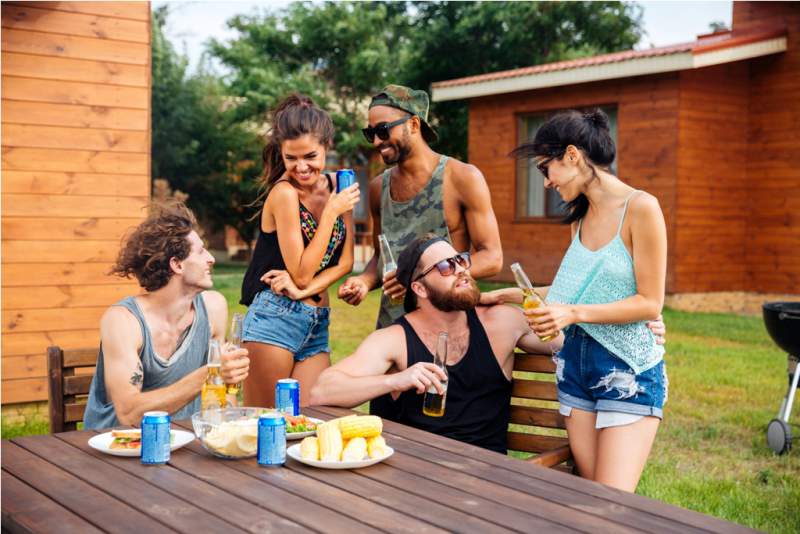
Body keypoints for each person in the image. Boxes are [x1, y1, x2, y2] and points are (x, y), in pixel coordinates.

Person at [498, 109, 668, 492]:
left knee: (610, 504)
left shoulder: (641, 208)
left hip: (627, 371)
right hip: (574, 368)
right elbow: (568, 294)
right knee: (589, 496)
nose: (546, 183)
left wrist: (572, 313)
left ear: (572, 155)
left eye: (547, 169)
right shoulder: (579, 218)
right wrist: (502, 295)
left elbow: (650, 302)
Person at [337, 85, 503, 328]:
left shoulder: (462, 177)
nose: (375, 141)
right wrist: (363, 280)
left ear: (414, 125)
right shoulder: (377, 188)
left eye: (383, 130)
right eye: (369, 133)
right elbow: (381, 258)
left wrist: (422, 277)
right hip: (393, 327)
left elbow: (492, 257)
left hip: (447, 325)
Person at [83, 202, 250, 429]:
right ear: (177, 264)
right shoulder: (123, 321)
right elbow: (129, 415)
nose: (211, 258)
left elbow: (223, 393)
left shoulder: (213, 308)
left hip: (183, 445)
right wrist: (211, 372)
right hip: (119, 449)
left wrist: (227, 431)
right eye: (201, 251)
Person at [239, 94, 359, 408]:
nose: (301, 167)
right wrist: (331, 213)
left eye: (310, 156)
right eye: (291, 158)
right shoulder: (284, 194)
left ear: (327, 147)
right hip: (273, 321)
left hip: (317, 322)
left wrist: (301, 290)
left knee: (309, 425)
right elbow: (302, 272)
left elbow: (346, 262)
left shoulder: (339, 187)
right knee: (264, 426)